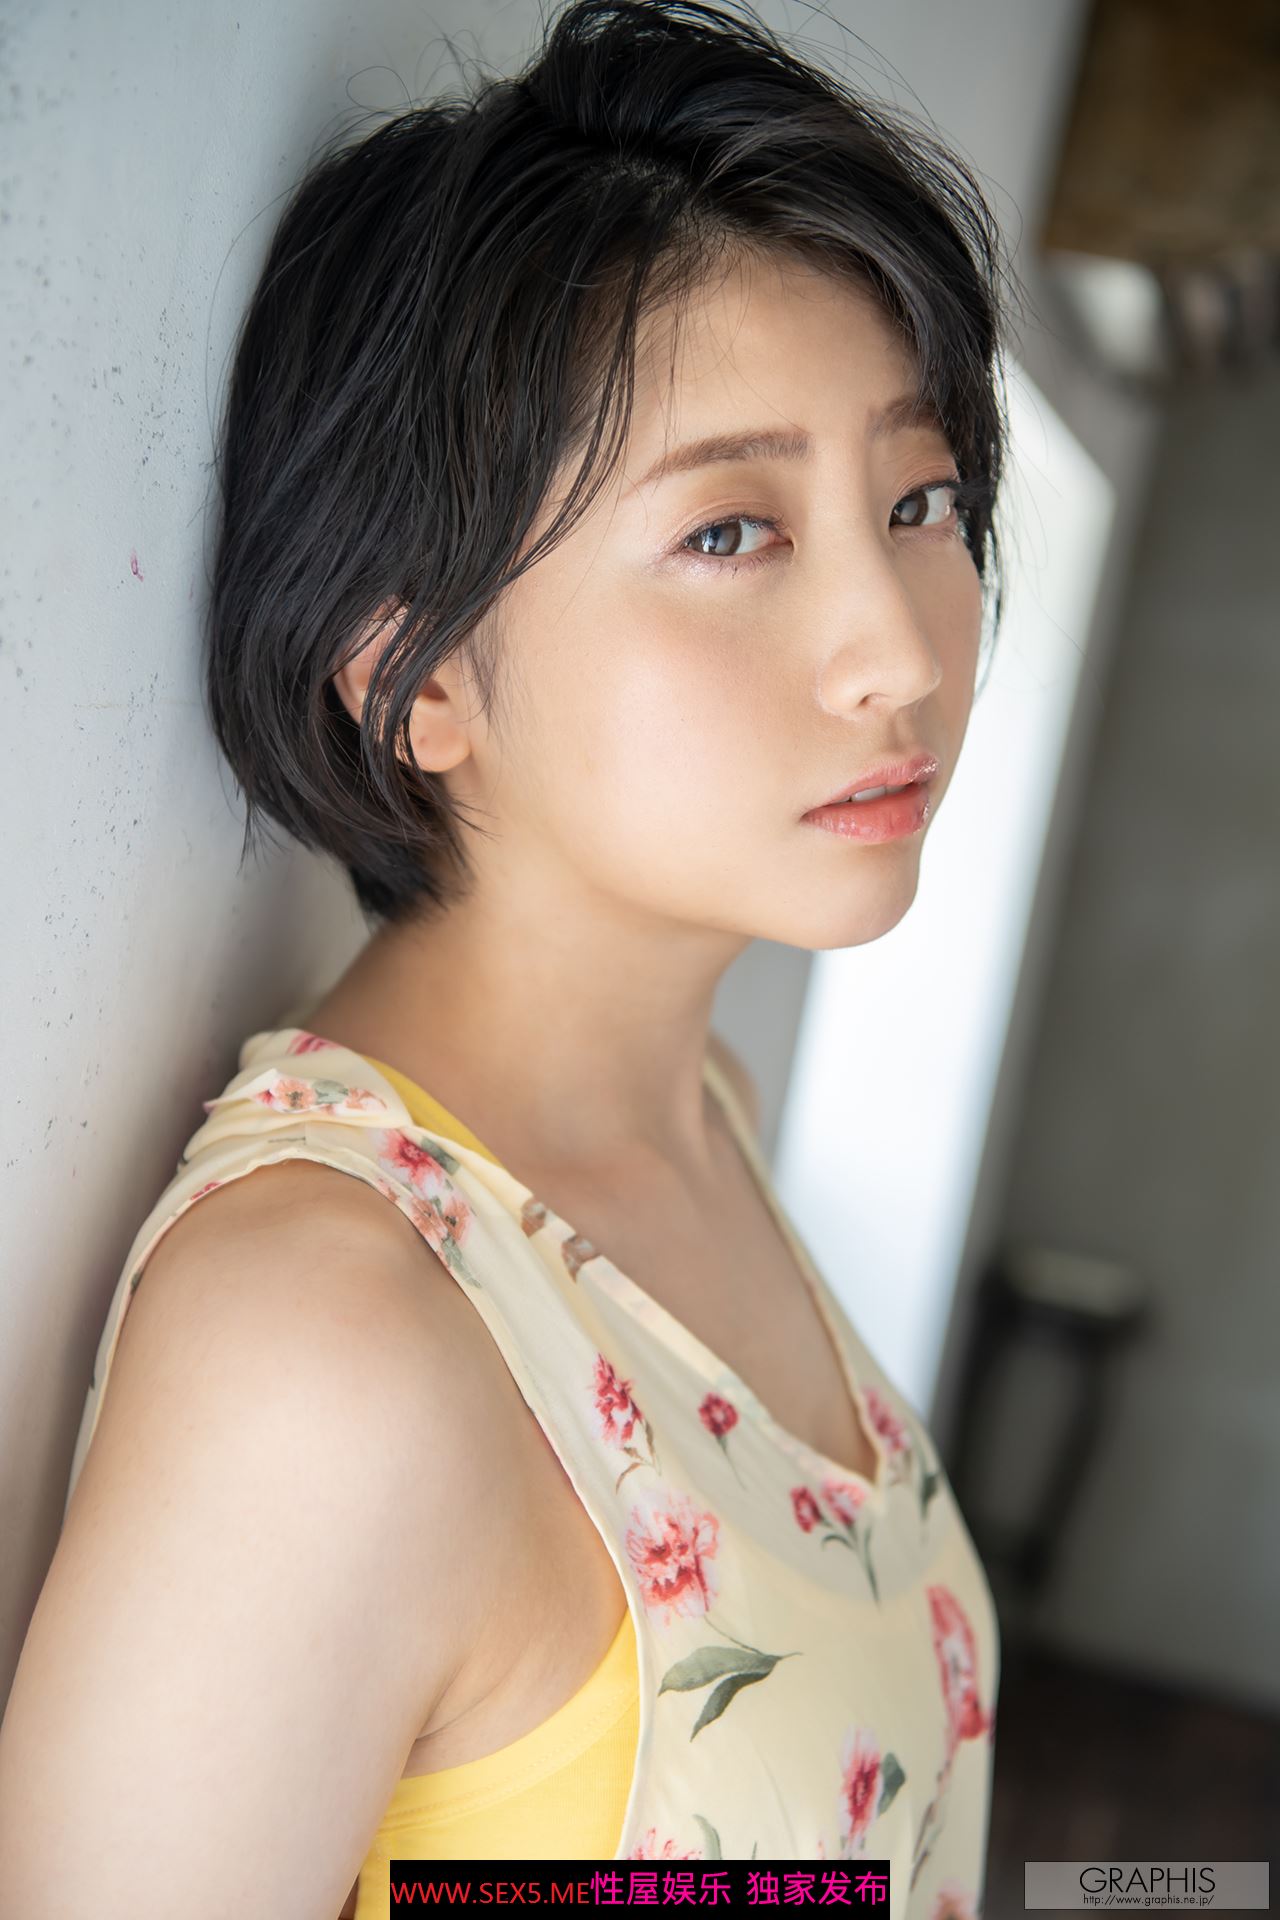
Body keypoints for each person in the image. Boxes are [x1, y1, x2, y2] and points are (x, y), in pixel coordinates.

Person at [0, 2, 1017, 1914]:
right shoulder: (328, 1341)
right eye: (732, 531)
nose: (899, 649)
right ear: (417, 677)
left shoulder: (700, 1119)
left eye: (918, 500)